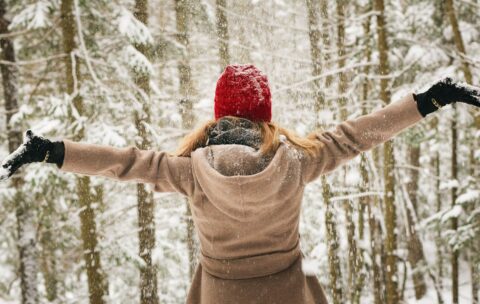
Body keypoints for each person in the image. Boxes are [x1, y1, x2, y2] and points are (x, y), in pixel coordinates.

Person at [1, 64, 480, 304]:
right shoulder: (297, 161)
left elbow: (126, 163)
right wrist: (429, 99)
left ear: (219, 114)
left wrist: (52, 151)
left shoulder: (190, 170)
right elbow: (358, 135)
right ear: (265, 115)